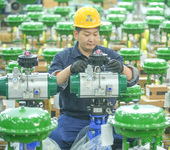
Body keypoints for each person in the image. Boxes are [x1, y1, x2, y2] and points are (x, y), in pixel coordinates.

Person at [48, 6, 139, 150]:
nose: (92, 39)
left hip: (107, 116)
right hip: (73, 118)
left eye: (95, 34)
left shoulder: (109, 55)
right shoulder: (63, 57)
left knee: (133, 136)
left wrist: (122, 68)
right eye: (87, 34)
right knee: (55, 138)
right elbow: (52, 84)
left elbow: (132, 79)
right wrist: (69, 70)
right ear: (76, 34)